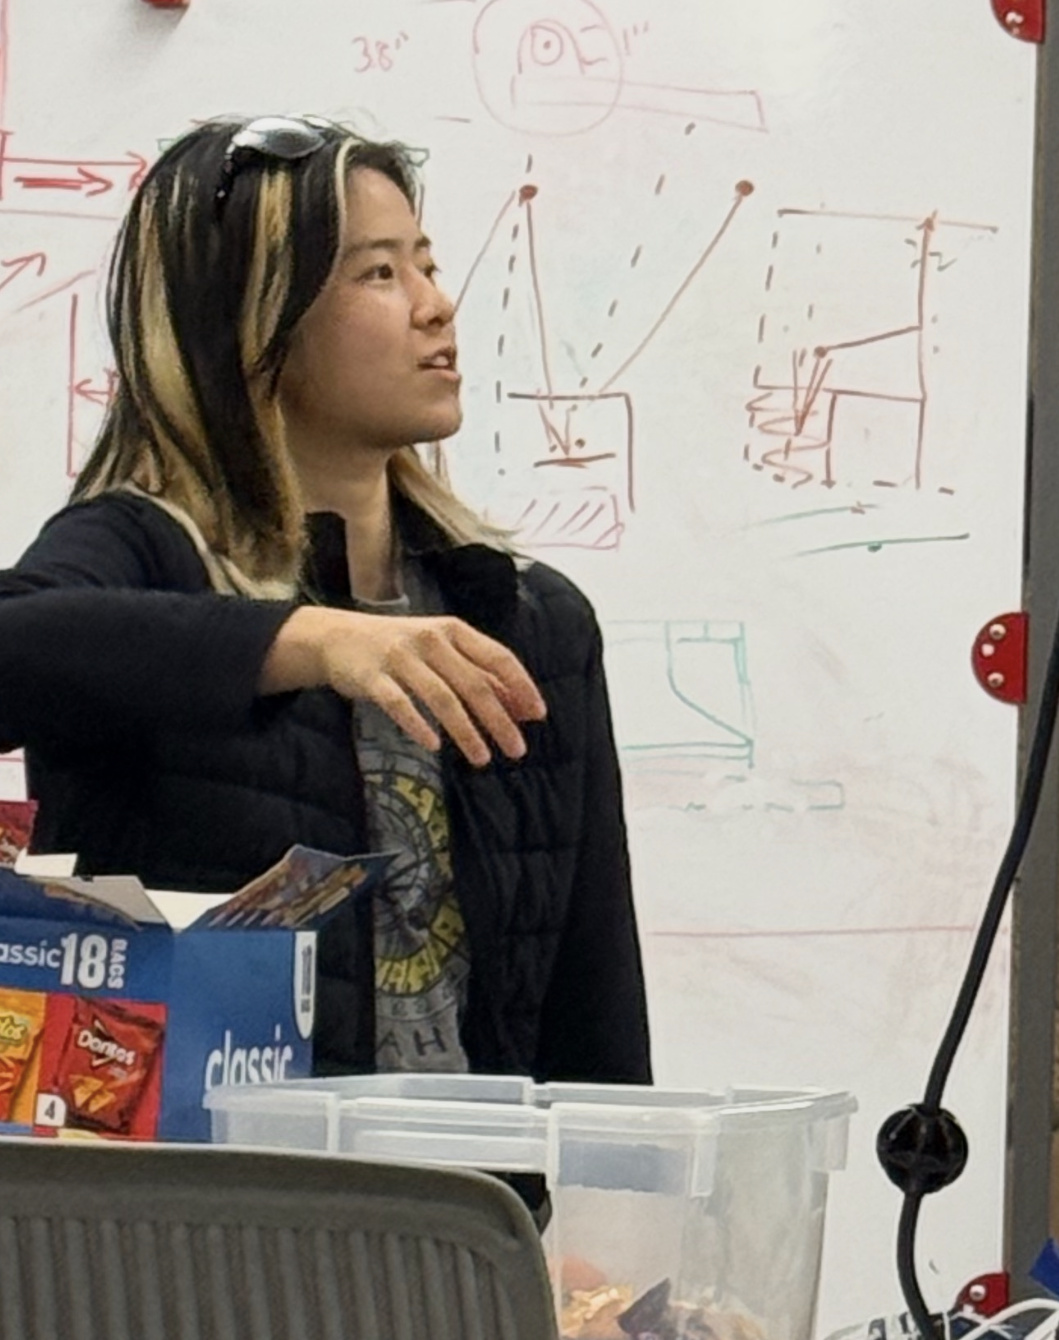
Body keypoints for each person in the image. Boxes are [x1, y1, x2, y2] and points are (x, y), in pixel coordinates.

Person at [0, 116, 651, 1085]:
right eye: (379, 273)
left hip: (459, 1209)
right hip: (209, 1215)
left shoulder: (526, 616)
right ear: (251, 318)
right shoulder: (142, 549)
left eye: (425, 263)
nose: (436, 307)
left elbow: (591, 988)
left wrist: (602, 1207)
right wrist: (302, 638)